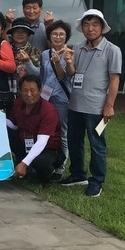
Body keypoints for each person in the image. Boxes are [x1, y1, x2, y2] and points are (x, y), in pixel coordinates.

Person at [60, 9, 122, 197]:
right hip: (75, 105)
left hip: (97, 108)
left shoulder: (112, 50)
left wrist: (109, 105)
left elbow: (114, 79)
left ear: (102, 27)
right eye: (86, 25)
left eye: (95, 24)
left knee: (97, 144)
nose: (90, 28)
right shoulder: (77, 48)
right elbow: (71, 74)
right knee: (74, 141)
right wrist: (69, 61)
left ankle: (97, 181)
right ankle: (78, 174)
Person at [7, 75, 64, 188]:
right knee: (5, 133)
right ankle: (20, 164)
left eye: (32, 90)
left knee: (41, 162)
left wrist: (24, 163)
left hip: (48, 148)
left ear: (40, 91)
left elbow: (42, 142)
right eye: (25, 90)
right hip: (25, 141)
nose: (28, 94)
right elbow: (14, 125)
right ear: (20, 91)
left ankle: (46, 176)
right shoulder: (18, 103)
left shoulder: (49, 110)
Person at [40, 20, 73, 179]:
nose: (58, 37)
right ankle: (47, 162)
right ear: (49, 36)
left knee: (62, 131)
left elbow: (63, 76)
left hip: (62, 99)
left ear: (66, 37)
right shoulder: (44, 54)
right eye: (54, 34)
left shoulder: (69, 53)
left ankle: (60, 167)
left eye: (61, 34)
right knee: (46, 129)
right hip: (46, 97)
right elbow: (42, 76)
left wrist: (58, 62)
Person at [8, 17, 41, 94]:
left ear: (28, 35)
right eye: (16, 31)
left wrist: (28, 61)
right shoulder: (5, 49)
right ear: (12, 34)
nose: (20, 34)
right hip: (6, 92)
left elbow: (36, 74)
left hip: (27, 93)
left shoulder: (34, 51)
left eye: (23, 32)